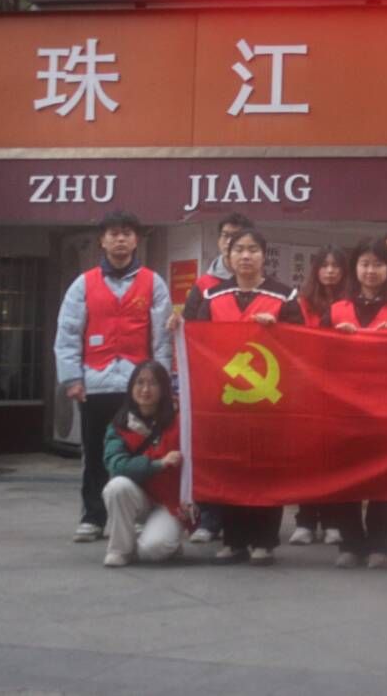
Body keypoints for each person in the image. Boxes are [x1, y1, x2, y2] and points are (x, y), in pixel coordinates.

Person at [54, 210, 172, 544]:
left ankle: (139, 515)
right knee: (94, 453)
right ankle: (93, 517)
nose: (120, 239)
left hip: (139, 387)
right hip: (96, 384)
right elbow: (68, 333)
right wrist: (72, 379)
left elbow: (162, 339)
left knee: (142, 452)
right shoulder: (83, 284)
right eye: (113, 234)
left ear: (136, 241)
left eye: (127, 233)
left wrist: (162, 383)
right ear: (103, 241)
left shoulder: (153, 283)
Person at [192, 227, 303, 566]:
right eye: (239, 249)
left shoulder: (285, 296)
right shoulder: (212, 296)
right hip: (225, 400)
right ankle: (234, 539)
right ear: (228, 255)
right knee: (230, 468)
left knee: (265, 470)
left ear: (263, 255)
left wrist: (279, 331)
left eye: (253, 249)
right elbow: (197, 341)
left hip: (270, 401)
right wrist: (176, 327)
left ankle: (264, 541)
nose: (245, 256)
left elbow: (302, 345)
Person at [323, 238, 387, 569]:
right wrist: (336, 340)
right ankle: (350, 543)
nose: (370, 270)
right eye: (364, 263)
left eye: (378, 264)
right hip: (343, 408)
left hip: (386, 408)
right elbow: (315, 355)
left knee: (384, 478)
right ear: (354, 268)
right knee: (347, 477)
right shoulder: (336, 310)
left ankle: (380, 544)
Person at [177, 212, 253, 544]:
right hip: (214, 384)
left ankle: (246, 522)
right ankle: (209, 519)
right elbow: (190, 329)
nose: (232, 243)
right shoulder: (203, 287)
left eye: (240, 238)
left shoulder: (265, 285)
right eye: (226, 237)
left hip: (253, 388)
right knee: (211, 453)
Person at [101, 360, 189, 567]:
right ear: (131, 387)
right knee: (116, 486)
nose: (145, 389)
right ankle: (120, 549)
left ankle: (167, 540)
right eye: (139, 382)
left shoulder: (182, 420)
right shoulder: (120, 424)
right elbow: (117, 466)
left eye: (153, 383)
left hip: (170, 502)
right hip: (138, 497)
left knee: (152, 551)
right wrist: (159, 464)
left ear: (164, 388)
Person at [289, 246, 347, 547]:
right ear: (315, 270)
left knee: (337, 458)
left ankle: (334, 521)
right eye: (324, 265)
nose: (330, 271)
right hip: (307, 387)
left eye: (336, 266)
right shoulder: (300, 303)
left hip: (341, 387)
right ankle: (306, 521)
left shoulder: (350, 303)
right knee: (308, 458)